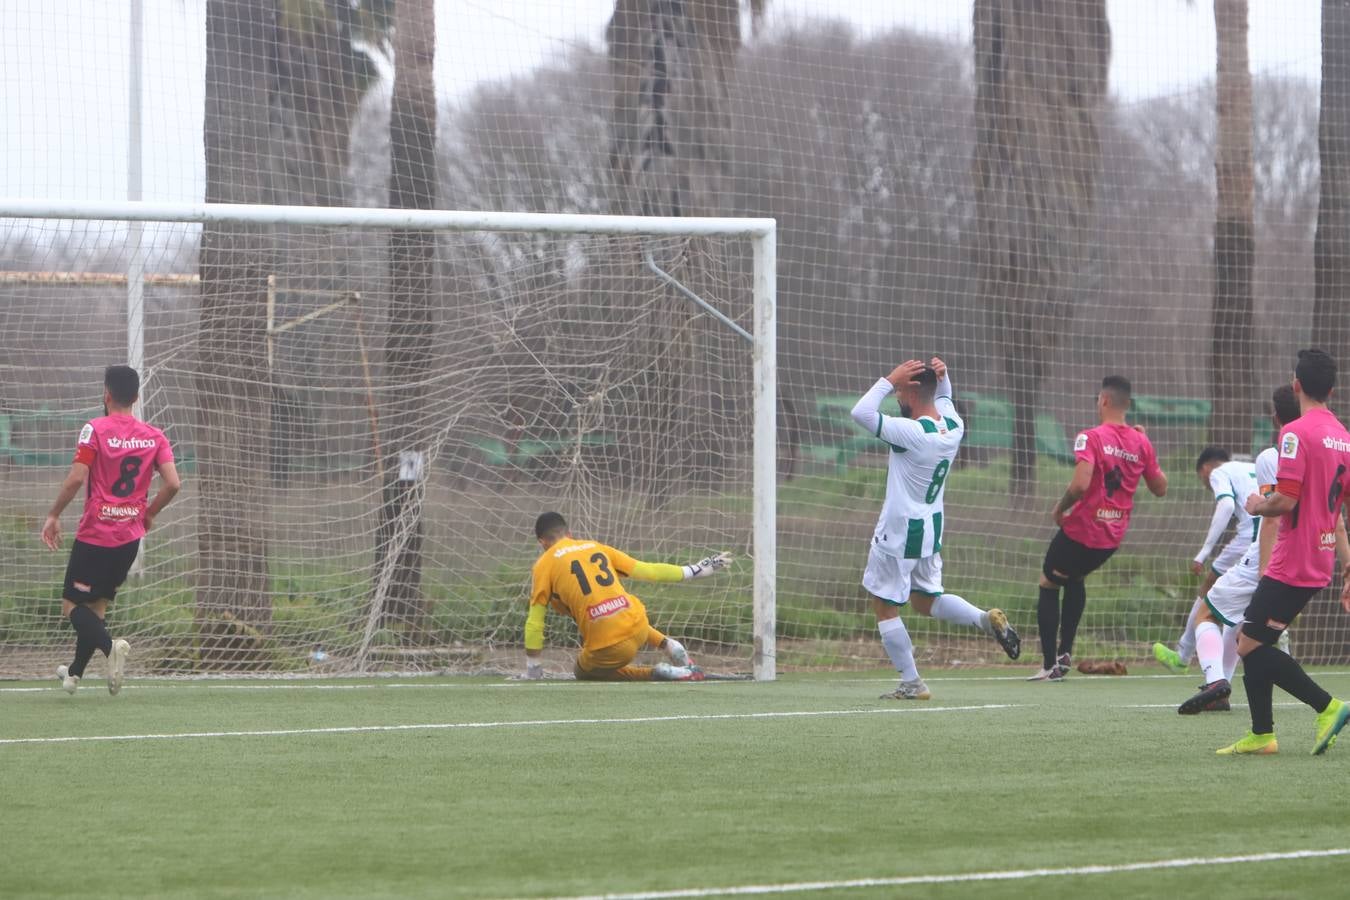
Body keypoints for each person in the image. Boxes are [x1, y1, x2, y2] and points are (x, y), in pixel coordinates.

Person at [1205, 350, 1350, 755]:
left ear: (1296, 385)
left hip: (1293, 560)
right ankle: (1262, 735)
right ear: (1332, 390)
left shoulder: (1295, 434)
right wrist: (1348, 564)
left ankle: (1329, 706)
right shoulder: (1344, 438)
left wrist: (1255, 504)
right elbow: (1338, 510)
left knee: (1248, 646)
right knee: (1256, 641)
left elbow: (1285, 501)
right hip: (1318, 559)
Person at [850, 357, 1021, 701]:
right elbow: (944, 398)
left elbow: (861, 413)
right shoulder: (954, 425)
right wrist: (944, 378)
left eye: (899, 390)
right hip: (930, 530)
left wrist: (887, 378)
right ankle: (984, 620)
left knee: (885, 607)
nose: (896, 395)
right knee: (927, 601)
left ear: (912, 391)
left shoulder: (911, 433)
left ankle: (912, 683)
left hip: (899, 533)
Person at [1173, 387, 1324, 713]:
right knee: (1245, 634)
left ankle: (1216, 681)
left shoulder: (1271, 456)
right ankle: (1246, 714)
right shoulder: (1323, 450)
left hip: (1270, 554)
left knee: (1207, 611)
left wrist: (1264, 570)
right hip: (1310, 555)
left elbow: (1273, 518)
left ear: (1275, 416)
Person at [41, 365, 180, 695]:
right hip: (128, 538)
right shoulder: (154, 436)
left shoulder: (95, 429)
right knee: (96, 608)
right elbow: (173, 483)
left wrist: (53, 515)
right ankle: (74, 674)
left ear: (106, 394)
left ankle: (110, 646)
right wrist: (148, 513)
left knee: (72, 606)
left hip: (95, 535)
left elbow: (77, 478)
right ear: (136, 397)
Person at [1031, 375, 1167, 681]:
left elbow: (1080, 485)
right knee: (1075, 577)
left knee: (1048, 582)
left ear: (1103, 400)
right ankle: (1065, 653)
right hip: (1112, 536)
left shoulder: (1090, 437)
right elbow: (1160, 488)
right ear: (1127, 404)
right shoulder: (1140, 441)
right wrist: (1146, 447)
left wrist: (1059, 508)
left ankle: (1050, 663)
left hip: (1083, 528)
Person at [523, 512, 730, 681]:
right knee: (619, 609)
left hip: (609, 646)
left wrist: (533, 669)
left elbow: (534, 622)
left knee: (583, 673)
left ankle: (657, 673)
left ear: (542, 542)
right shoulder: (596, 547)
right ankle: (669, 645)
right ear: (569, 533)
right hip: (639, 626)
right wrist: (695, 570)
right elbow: (649, 571)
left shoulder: (544, 564)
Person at [1152, 445, 1259, 675]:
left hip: (1249, 537)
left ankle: (1183, 656)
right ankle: (1282, 651)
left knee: (1208, 590)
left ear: (1206, 468)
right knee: (1262, 595)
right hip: (1273, 537)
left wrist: (1204, 552)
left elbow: (1227, 505)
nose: (1205, 482)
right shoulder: (1253, 468)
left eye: (1202, 476)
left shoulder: (1219, 472)